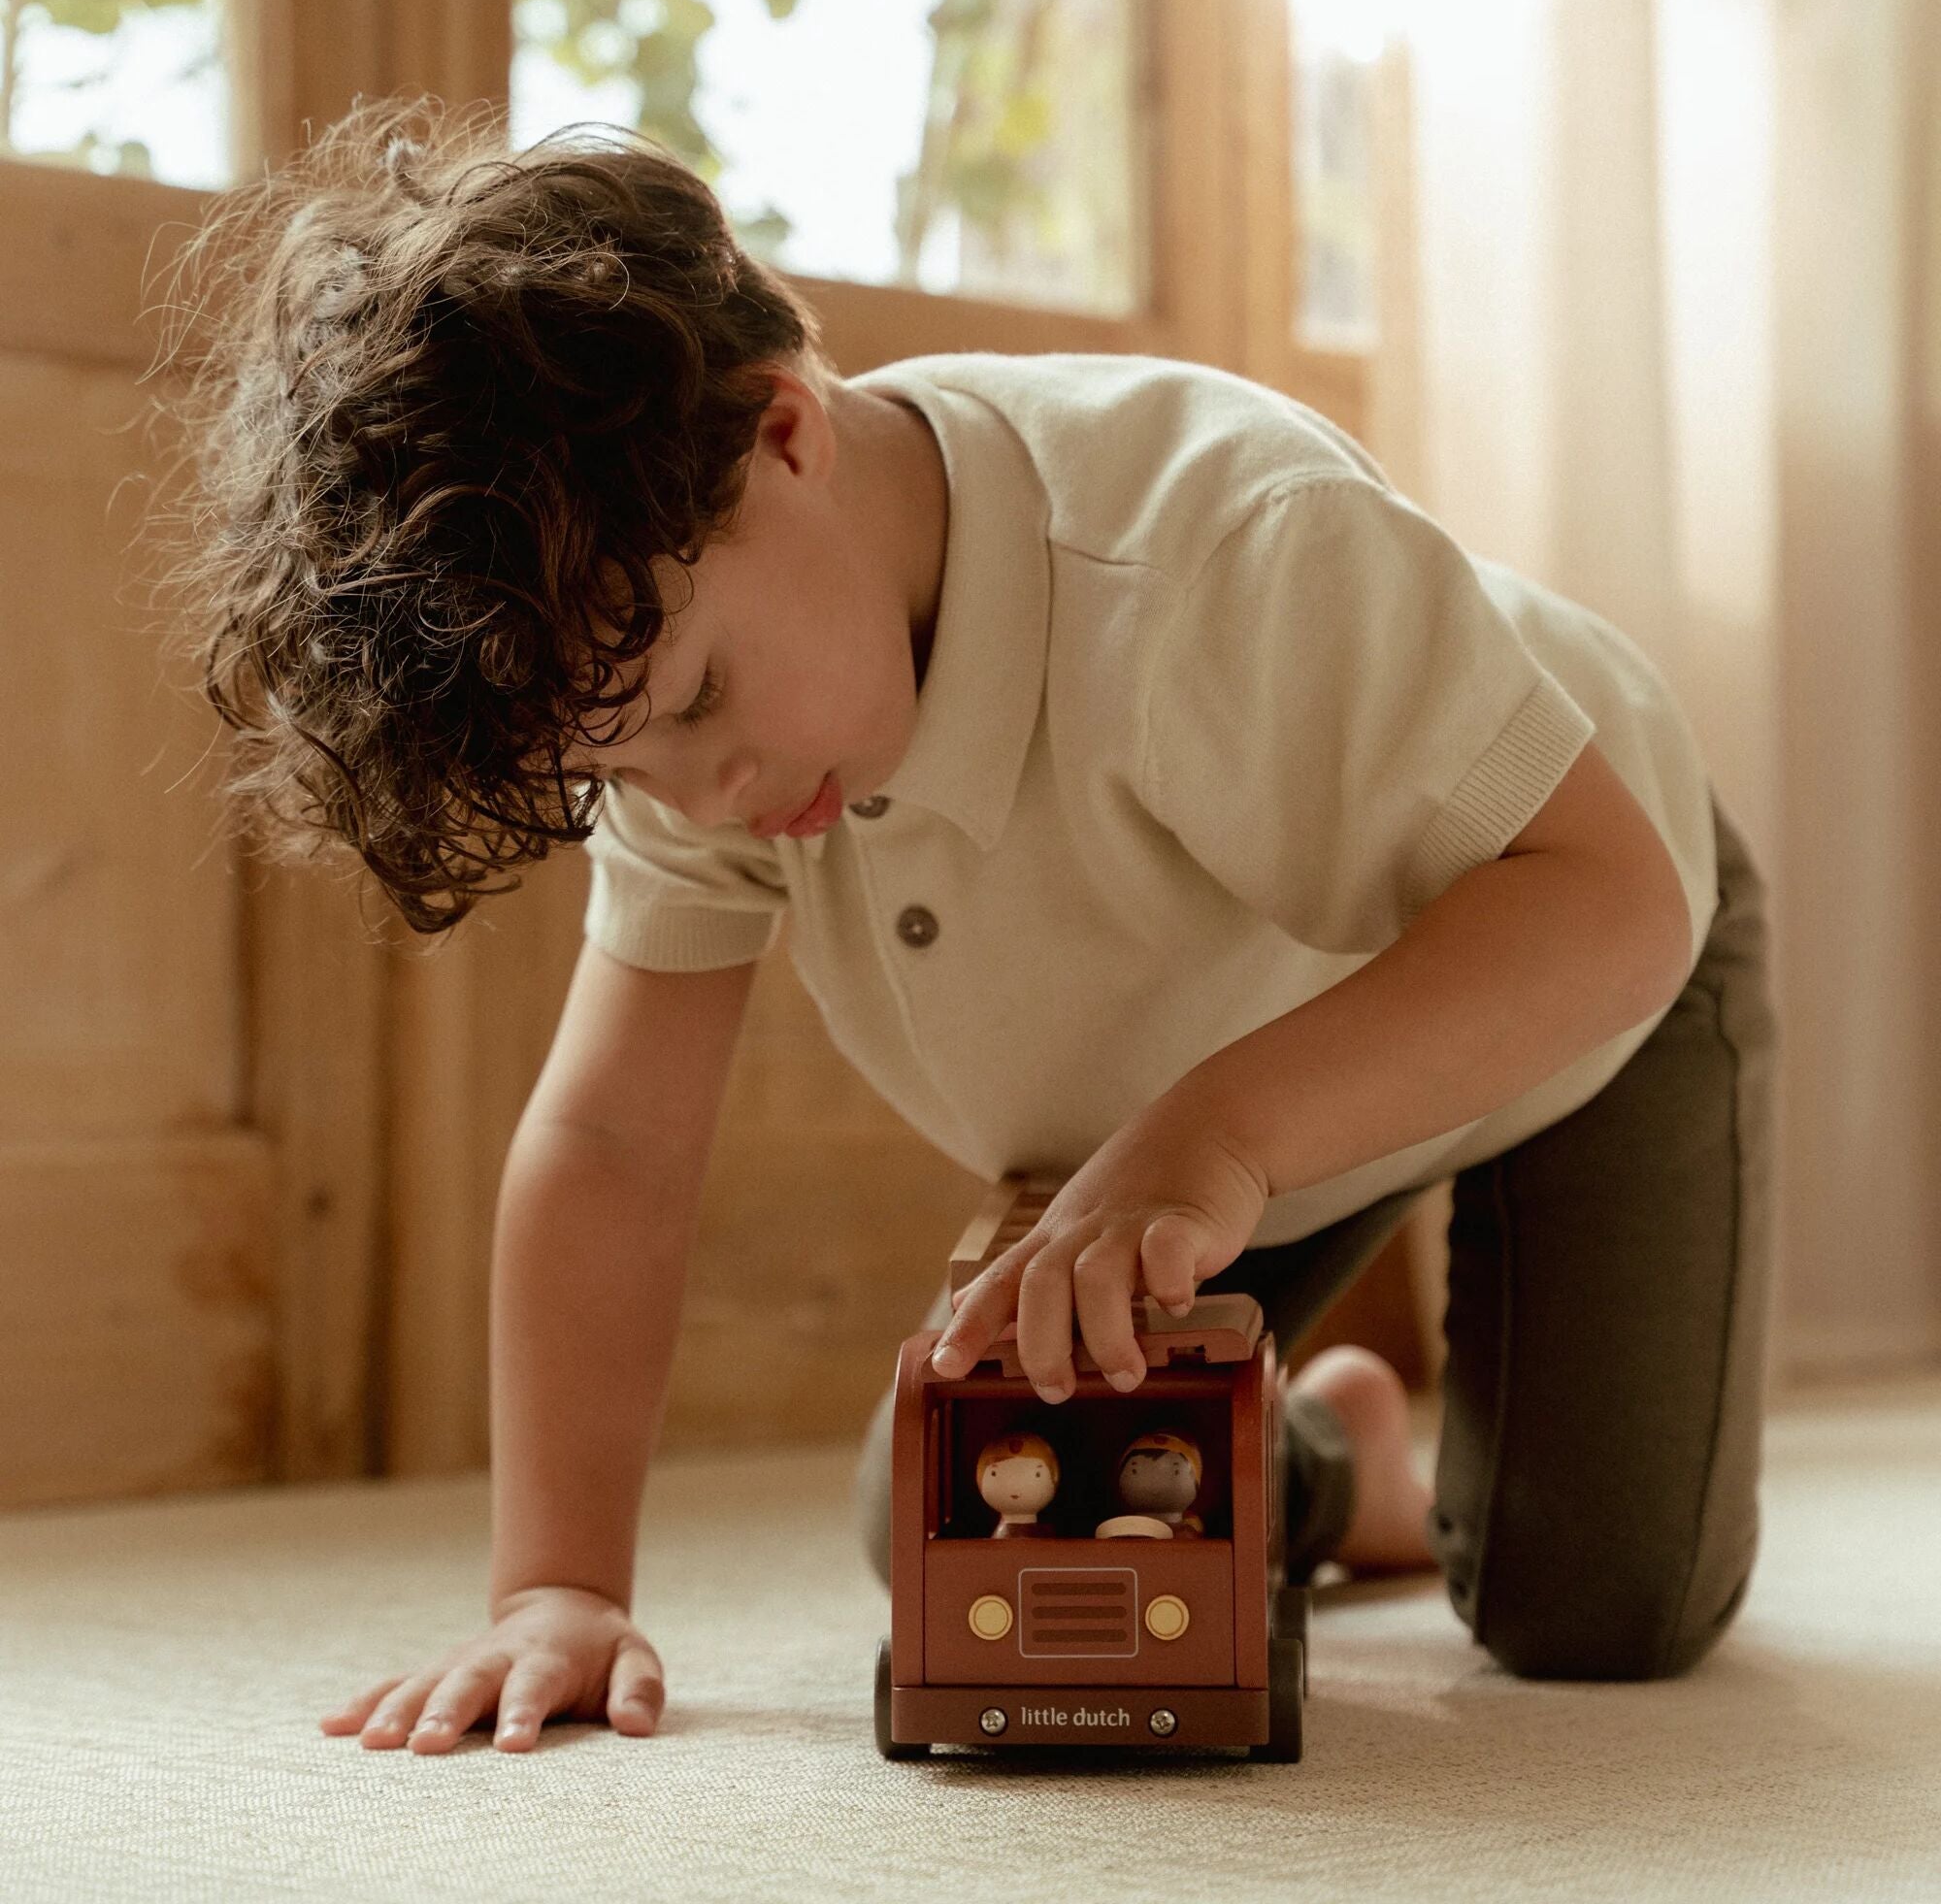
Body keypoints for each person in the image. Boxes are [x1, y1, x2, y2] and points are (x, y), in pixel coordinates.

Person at [153, 92, 1777, 1755]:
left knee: (1594, 1614)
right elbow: (614, 1141)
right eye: (620, 763)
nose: (699, 796)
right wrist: (553, 1583)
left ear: (786, 435)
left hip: (1573, 947)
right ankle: (1335, 1459)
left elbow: (1606, 906)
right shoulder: (700, 735)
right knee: (949, 1511)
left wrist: (1211, 1139)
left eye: (700, 702)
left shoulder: (1212, 545)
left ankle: (1433, 1427)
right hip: (1200, 1129)